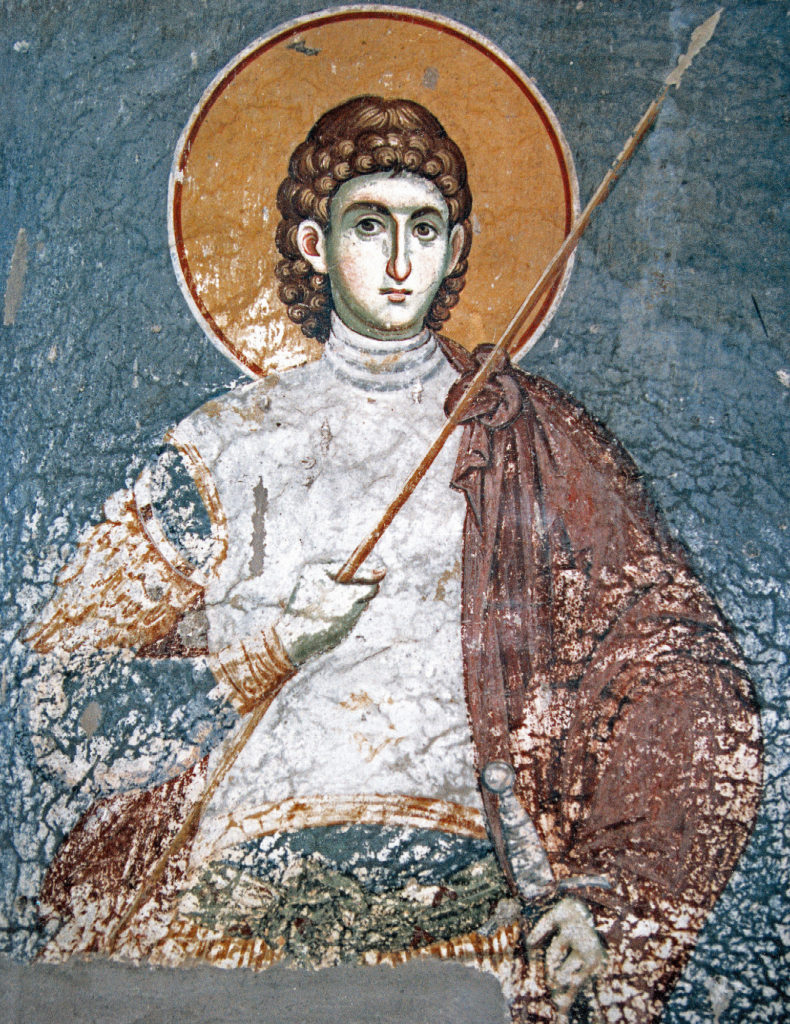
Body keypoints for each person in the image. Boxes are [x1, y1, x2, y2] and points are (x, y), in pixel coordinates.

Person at [26, 97, 761, 1023]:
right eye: (370, 225)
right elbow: (60, 697)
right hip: (231, 925)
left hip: (466, 922)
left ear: (458, 247)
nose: (401, 261)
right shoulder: (221, 449)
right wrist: (264, 649)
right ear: (314, 243)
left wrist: (611, 892)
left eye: (425, 228)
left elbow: (673, 664)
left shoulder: (525, 436)